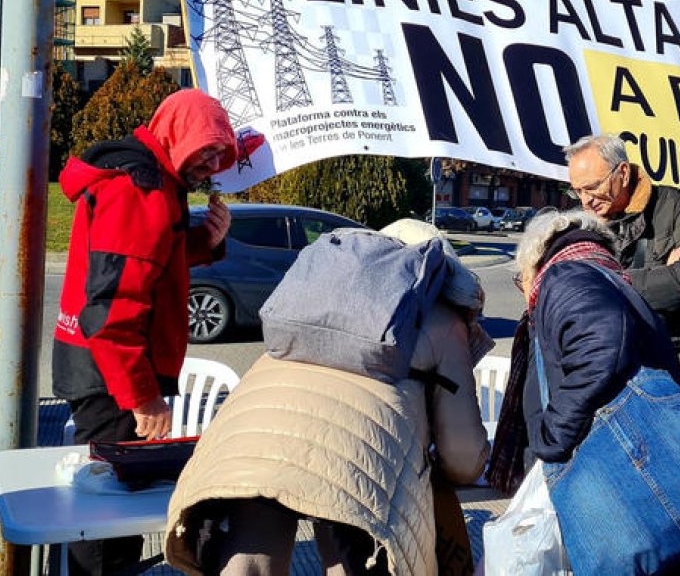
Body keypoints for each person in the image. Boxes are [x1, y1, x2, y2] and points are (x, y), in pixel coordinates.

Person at [165, 219, 491, 575]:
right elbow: (463, 456)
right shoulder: (444, 320)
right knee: (346, 531)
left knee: (249, 562)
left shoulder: (315, 302)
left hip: (246, 448)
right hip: (353, 460)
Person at [51, 89, 237, 575]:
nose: (212, 161)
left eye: (221, 151)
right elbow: (112, 309)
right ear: (175, 135)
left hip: (100, 370)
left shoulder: (154, 181)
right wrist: (142, 398)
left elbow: (151, 262)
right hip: (111, 378)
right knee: (105, 529)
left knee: (105, 522)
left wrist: (205, 241)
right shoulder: (141, 190)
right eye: (206, 147)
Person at [511, 209, 680, 574]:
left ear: (533, 257)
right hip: (638, 458)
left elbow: (601, 347)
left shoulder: (566, 274)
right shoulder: (602, 273)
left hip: (612, 468)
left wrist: (552, 438)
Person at [564, 134, 680, 417]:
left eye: (593, 187)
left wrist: (605, 282)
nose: (585, 201)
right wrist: (656, 276)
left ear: (622, 172)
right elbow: (564, 290)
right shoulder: (581, 224)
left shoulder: (679, 206)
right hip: (619, 384)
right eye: (577, 191)